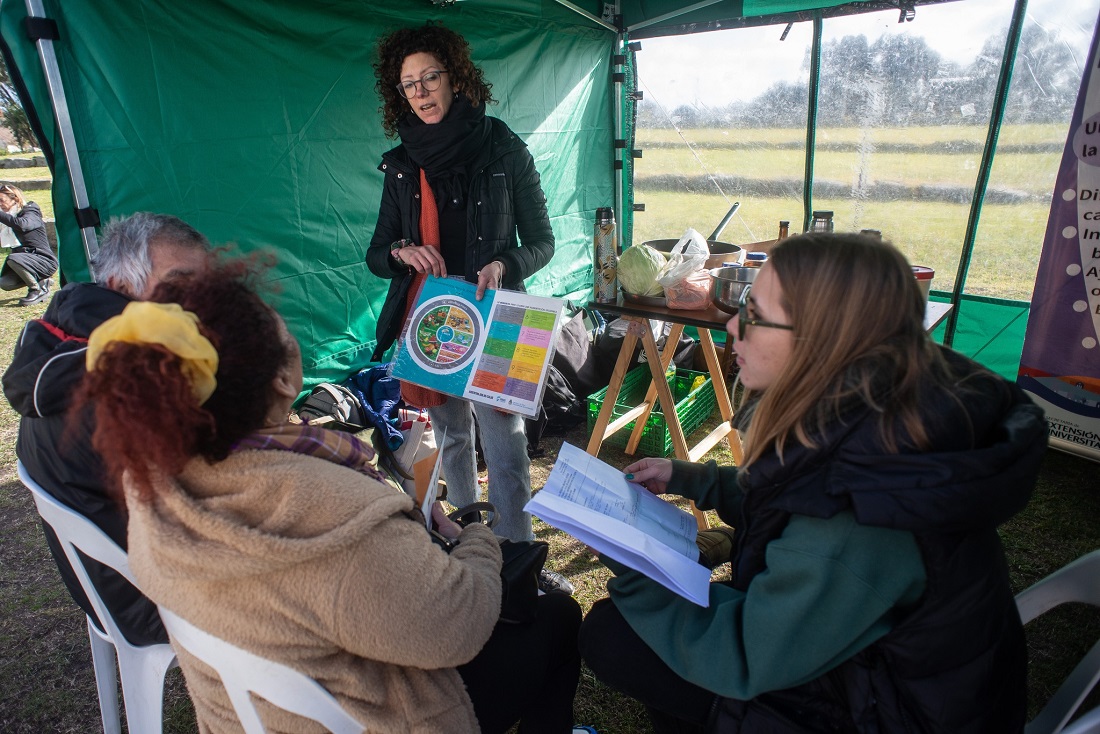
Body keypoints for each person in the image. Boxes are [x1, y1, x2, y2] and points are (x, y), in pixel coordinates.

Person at [75, 262, 583, 733]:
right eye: (286, 333)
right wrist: (474, 539)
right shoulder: (338, 509)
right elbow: (457, 626)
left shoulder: (149, 486)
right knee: (559, 616)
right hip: (379, 715)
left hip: (251, 718)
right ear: (282, 380)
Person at [579, 232, 1048, 733]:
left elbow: (740, 656)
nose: (733, 325)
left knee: (615, 637)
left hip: (883, 710)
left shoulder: (863, 517)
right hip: (869, 672)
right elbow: (799, 494)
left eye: (755, 314)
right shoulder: (878, 413)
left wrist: (636, 567)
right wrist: (692, 478)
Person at [365, 24, 557, 555]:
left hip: (497, 313)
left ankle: (519, 557)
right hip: (434, 316)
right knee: (451, 436)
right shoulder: (402, 165)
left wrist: (505, 262)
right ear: (398, 93)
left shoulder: (504, 149)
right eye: (409, 84)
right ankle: (471, 546)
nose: (421, 91)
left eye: (431, 77)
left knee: (506, 447)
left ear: (456, 79)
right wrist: (404, 253)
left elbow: (543, 242)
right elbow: (376, 254)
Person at [2, 212, 211, 646]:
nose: (198, 299)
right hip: (153, 600)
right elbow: (214, 494)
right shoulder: (134, 374)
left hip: (108, 585)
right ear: (119, 286)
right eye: (178, 281)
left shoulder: (68, 328)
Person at [0, 184, 58, 305]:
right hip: (24, 261)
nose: (0, 204)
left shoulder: (31, 210)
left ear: (15, 199)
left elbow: (23, 225)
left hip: (44, 260)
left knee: (12, 258)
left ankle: (37, 290)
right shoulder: (7, 218)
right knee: (5, 283)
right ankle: (42, 281)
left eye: (1, 200)